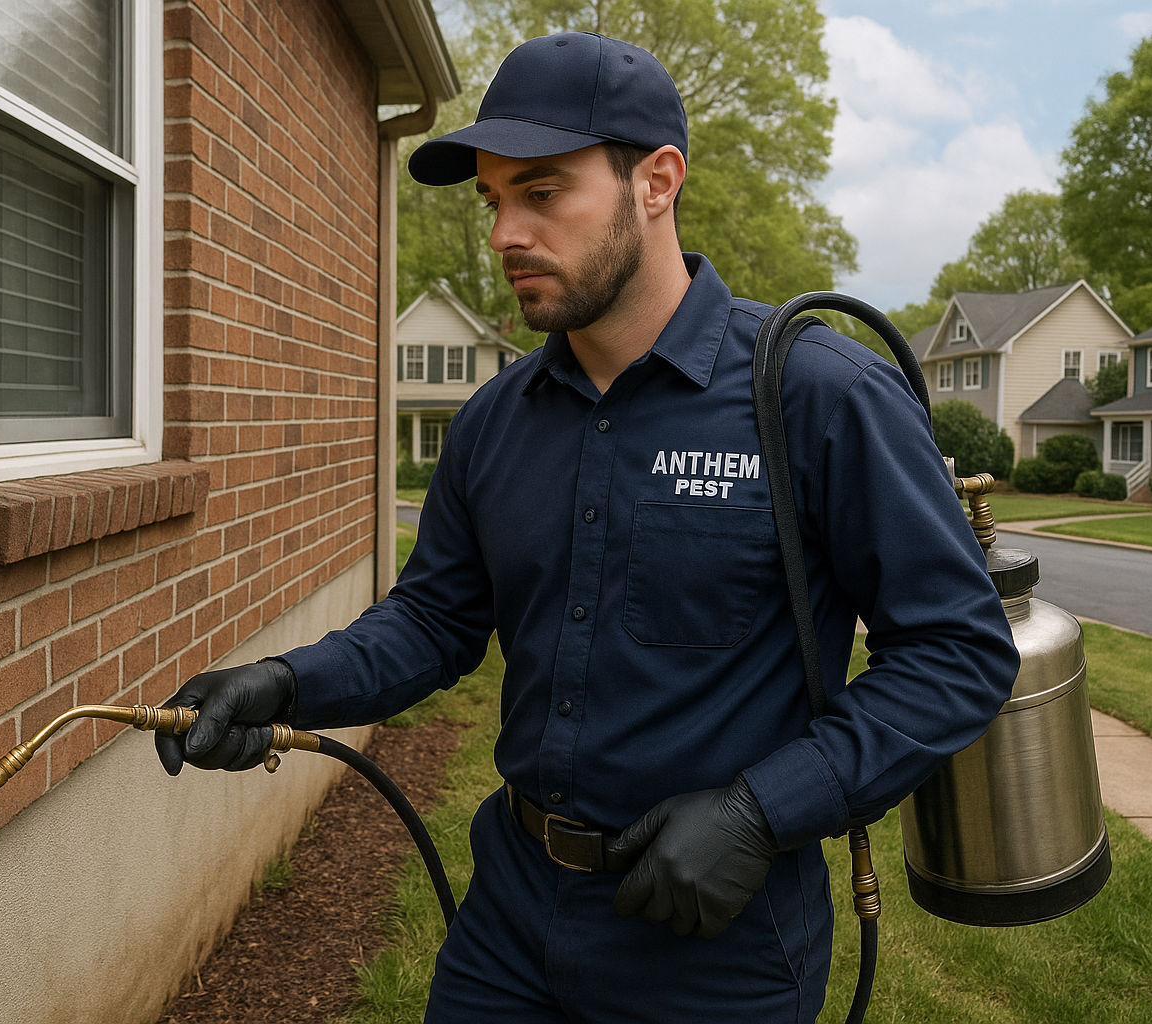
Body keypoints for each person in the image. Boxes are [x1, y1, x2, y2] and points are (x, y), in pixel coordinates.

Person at [155, 32, 1018, 1023]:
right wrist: (286, 681)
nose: (503, 235)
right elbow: (437, 620)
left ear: (656, 181)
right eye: (492, 201)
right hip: (510, 922)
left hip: (718, 941)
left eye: (542, 192)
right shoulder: (493, 421)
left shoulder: (817, 395)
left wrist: (759, 810)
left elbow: (957, 651)